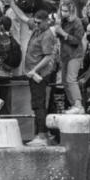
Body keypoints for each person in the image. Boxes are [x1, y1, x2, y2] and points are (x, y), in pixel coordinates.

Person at [24, 10, 57, 147]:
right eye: (35, 22)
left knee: (39, 103)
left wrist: (34, 70)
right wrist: (12, 3)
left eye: (38, 22)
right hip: (33, 73)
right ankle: (41, 133)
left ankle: (42, 134)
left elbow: (48, 56)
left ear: (46, 21)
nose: (35, 24)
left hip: (39, 74)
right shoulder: (38, 29)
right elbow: (24, 18)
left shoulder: (47, 35)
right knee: (37, 103)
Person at [53, 0, 85, 114]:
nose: (63, 12)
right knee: (65, 81)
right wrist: (58, 26)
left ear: (71, 11)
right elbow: (57, 35)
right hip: (65, 55)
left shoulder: (77, 22)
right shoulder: (63, 21)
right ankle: (74, 105)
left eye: (66, 11)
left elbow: (76, 40)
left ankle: (78, 104)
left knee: (71, 79)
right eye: (62, 10)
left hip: (75, 54)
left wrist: (62, 32)